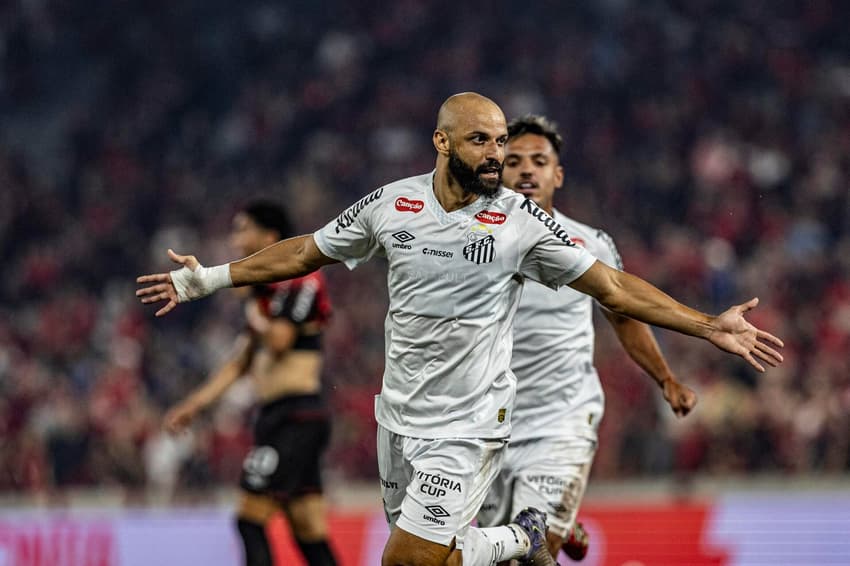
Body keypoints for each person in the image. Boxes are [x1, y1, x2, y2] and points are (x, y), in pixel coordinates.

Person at [137, 92, 783, 566]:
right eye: (483, 142)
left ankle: (525, 534)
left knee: (406, 562)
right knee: (440, 560)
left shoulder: (521, 225)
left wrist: (707, 326)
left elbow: (615, 290)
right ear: (442, 143)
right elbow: (306, 250)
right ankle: (524, 537)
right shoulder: (395, 205)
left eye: (503, 143)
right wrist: (209, 279)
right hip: (400, 421)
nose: (497, 157)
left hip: (470, 427)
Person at [476, 115, 698, 562]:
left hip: (561, 418)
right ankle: (563, 521)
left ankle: (554, 519)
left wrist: (665, 378)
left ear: (556, 175)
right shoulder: (471, 241)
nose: (526, 171)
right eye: (514, 160)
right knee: (494, 555)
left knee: (530, 551)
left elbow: (625, 318)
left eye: (539, 161)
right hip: (488, 423)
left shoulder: (588, 244)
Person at [162, 201, 338, 566]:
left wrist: (254, 303)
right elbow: (237, 365)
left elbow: (279, 341)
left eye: (242, 229)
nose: (235, 238)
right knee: (308, 532)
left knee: (249, 520)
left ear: (269, 237)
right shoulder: (262, 297)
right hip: (278, 417)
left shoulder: (303, 279)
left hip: (297, 417)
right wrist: (192, 406)